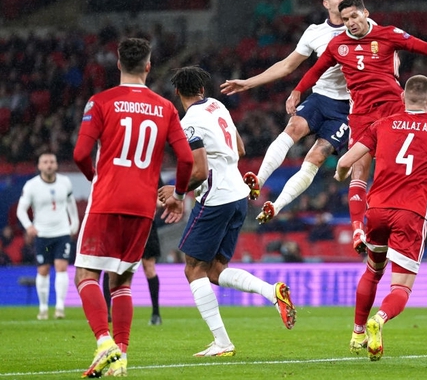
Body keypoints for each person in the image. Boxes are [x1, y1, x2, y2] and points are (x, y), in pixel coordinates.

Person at [289, 0, 427, 252]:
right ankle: (358, 232)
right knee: (360, 171)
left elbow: (419, 46)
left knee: (420, 152)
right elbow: (315, 71)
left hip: (393, 109)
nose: (351, 23)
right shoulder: (338, 44)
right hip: (361, 114)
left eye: (354, 17)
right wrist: (297, 91)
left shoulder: (387, 34)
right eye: (346, 19)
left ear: (365, 13)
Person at [73, 37, 194, 378]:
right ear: (148, 66)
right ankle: (121, 357)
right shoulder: (166, 108)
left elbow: (81, 155)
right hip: (143, 207)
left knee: (85, 274)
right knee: (122, 280)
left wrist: (96, 178)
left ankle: (104, 342)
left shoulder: (100, 102)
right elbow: (185, 159)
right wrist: (179, 195)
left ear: (117, 64)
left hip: (107, 200)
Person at [334, 75, 427, 361]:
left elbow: (344, 163)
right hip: (410, 215)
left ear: (402, 98)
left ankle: (357, 332)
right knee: (400, 287)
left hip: (377, 210)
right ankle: (380, 319)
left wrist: (339, 175)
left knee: (372, 271)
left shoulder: (381, 125)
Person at [160, 66, 296, 358]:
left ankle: (222, 342)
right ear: (202, 90)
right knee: (213, 270)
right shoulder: (217, 105)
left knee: (193, 268)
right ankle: (271, 292)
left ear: (176, 93)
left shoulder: (189, 123)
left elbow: (199, 170)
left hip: (215, 197)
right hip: (237, 195)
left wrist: (177, 193)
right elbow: (241, 149)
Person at [220, 0, 359, 224]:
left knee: (316, 156)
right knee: (293, 127)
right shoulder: (315, 32)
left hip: (347, 108)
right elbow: (286, 66)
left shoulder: (362, 31)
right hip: (320, 97)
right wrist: (248, 82)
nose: (343, 0)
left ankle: (278, 205)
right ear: (326, 3)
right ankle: (257, 182)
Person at [16, 152, 79, 320]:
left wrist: (75, 223)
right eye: (45, 162)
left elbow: (71, 203)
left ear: (56, 164)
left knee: (61, 267)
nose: (49, 164)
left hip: (62, 232)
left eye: (52, 161)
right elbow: (21, 210)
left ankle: (59, 307)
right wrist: (29, 226)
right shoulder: (31, 185)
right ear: (39, 166)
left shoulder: (65, 182)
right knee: (43, 270)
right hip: (42, 234)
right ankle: (43, 308)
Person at [103, 177, 165, 326]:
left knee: (149, 267)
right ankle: (106, 312)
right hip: (120, 223)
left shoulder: (152, 170)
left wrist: (153, 204)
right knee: (110, 266)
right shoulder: (119, 169)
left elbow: (161, 200)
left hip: (146, 224)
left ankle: (156, 314)